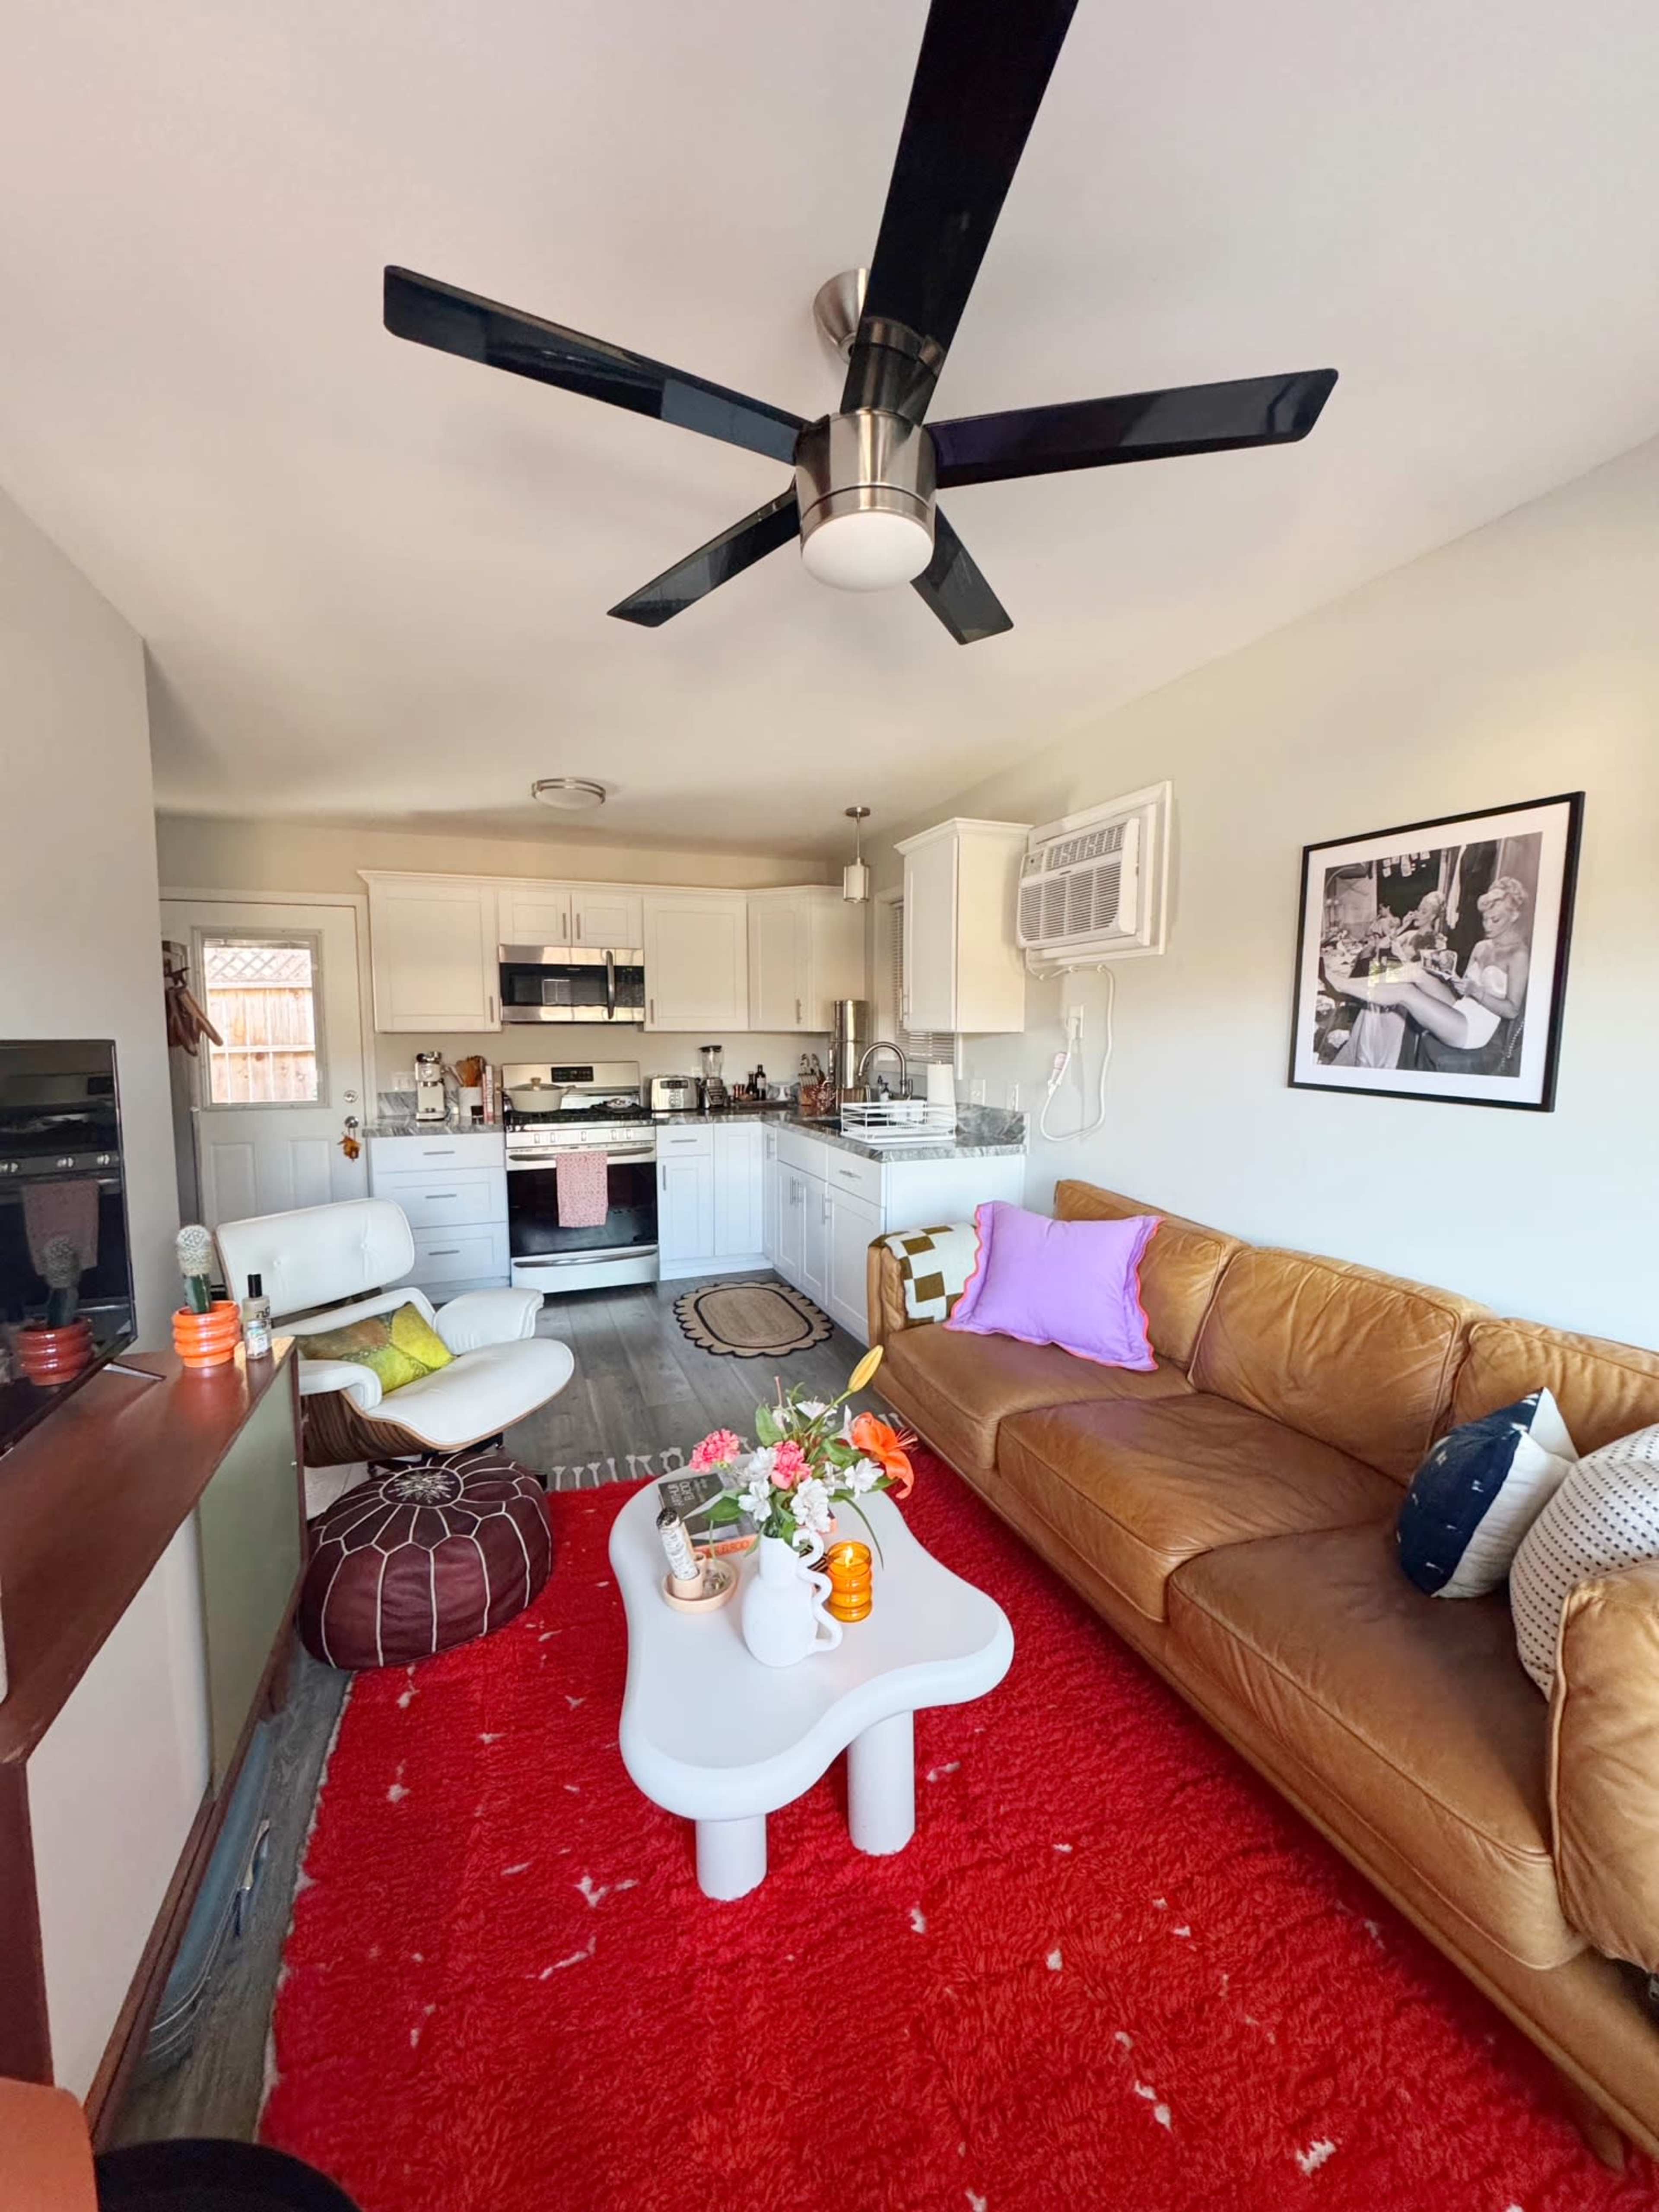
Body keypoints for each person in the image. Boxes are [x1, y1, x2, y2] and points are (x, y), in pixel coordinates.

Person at [1334, 877, 1529, 1055]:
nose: (1488, 926)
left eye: (1495, 920)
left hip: (1474, 1028)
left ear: (1514, 916)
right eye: (1485, 919)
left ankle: (1341, 986)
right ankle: (1345, 983)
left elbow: (1512, 1011)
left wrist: (1477, 992)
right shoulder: (1481, 946)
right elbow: (1465, 989)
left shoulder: (1519, 955)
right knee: (1416, 971)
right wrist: (1452, 977)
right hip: (1462, 1007)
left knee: (1405, 991)